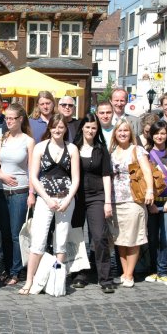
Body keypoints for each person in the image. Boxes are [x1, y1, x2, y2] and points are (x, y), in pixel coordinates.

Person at [19, 115, 80, 295]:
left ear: (65, 129)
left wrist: (68, 199)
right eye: (54, 127)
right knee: (38, 241)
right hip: (45, 200)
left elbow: (75, 178)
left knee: (61, 241)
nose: (57, 130)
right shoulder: (40, 147)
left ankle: (56, 280)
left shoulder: (72, 149)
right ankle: (29, 281)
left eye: (61, 127)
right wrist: (45, 198)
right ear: (50, 128)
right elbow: (34, 177)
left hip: (65, 199)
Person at [0, 103, 35, 286]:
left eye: (12, 118)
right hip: (2, 191)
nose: (8, 121)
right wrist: (1, 174)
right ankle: (7, 268)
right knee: (4, 232)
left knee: (17, 233)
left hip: (20, 191)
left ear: (20, 119)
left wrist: (32, 193)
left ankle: (16, 271)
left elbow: (33, 169)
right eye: (6, 118)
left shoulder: (28, 141)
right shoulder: (3, 138)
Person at [71, 113, 114, 292]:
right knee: (76, 237)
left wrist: (107, 202)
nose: (90, 130)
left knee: (99, 237)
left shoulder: (101, 149)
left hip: (97, 197)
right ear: (82, 127)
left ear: (97, 130)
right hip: (76, 198)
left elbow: (106, 175)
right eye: (88, 127)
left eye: (94, 128)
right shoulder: (73, 148)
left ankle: (105, 278)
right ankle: (79, 273)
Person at [109, 119, 154, 288]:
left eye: (126, 131)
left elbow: (147, 171)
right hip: (115, 201)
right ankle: (125, 271)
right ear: (115, 133)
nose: (122, 133)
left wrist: (149, 189)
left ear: (130, 133)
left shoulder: (137, 150)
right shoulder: (111, 152)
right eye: (120, 131)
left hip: (134, 200)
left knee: (133, 238)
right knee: (120, 239)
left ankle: (129, 274)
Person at [144, 121, 167, 286]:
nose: (159, 136)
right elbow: (143, 179)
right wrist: (150, 203)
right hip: (152, 202)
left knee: (165, 238)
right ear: (151, 135)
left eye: (163, 133)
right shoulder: (146, 153)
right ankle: (153, 270)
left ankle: (163, 270)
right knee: (152, 237)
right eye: (156, 133)